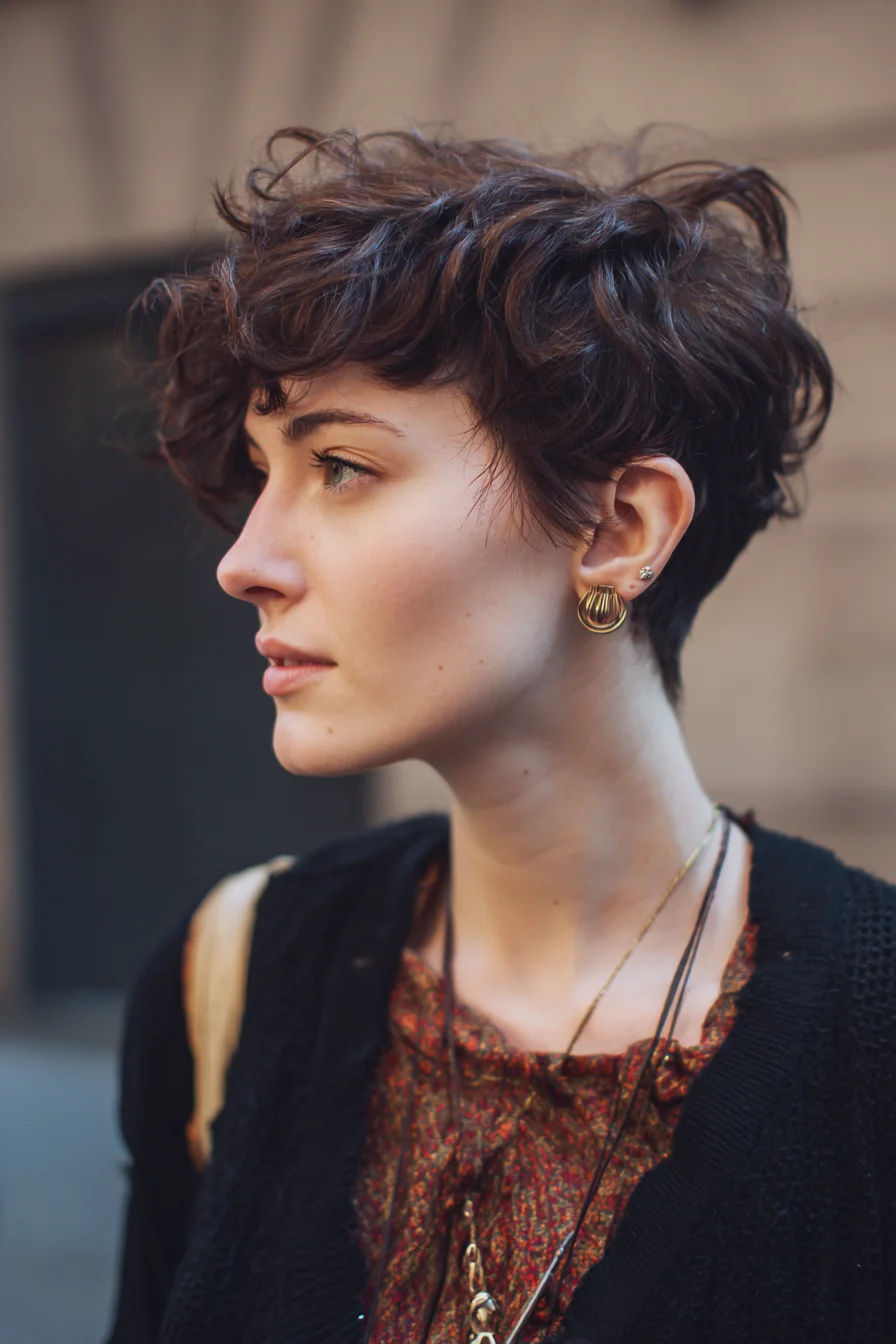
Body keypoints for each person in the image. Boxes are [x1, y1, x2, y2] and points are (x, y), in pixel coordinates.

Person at [105, 128, 896, 1344]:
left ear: (616, 528)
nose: (243, 561)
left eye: (342, 465)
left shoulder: (865, 1037)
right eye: (260, 471)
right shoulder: (231, 978)